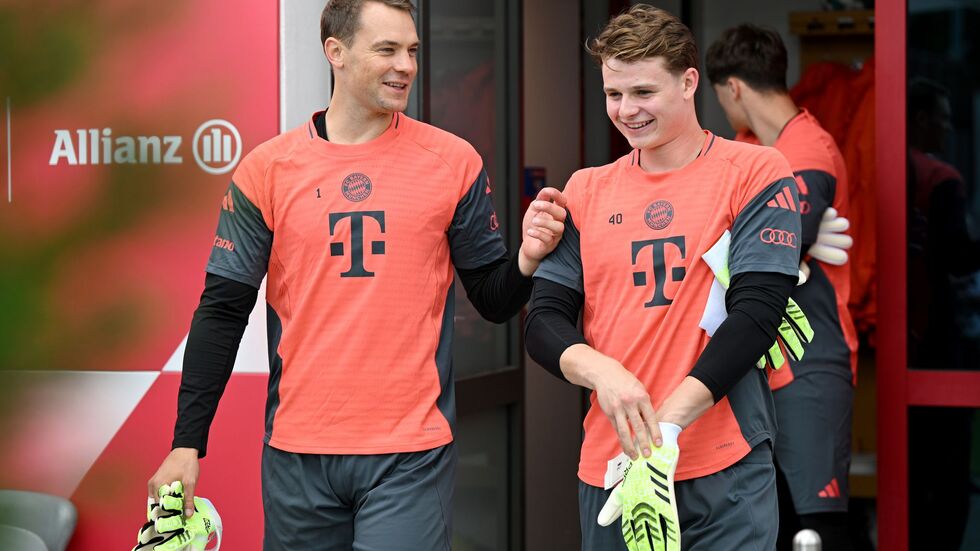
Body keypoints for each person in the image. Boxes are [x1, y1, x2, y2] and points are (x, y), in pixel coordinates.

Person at [145, 1, 568, 549]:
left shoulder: (452, 162)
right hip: (298, 452)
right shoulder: (266, 171)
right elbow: (223, 310)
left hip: (410, 453)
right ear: (336, 53)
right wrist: (187, 443)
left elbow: (491, 298)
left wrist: (527, 260)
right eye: (387, 49)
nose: (407, 66)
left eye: (412, 51)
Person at [525, 5, 803, 550]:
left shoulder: (754, 172)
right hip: (614, 467)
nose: (626, 111)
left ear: (689, 82)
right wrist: (603, 373)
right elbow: (543, 320)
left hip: (725, 468)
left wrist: (668, 426)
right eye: (613, 94)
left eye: (643, 93)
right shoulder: (584, 189)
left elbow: (756, 316)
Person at [705, 24, 859, 550]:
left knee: (816, 529)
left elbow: (785, 240)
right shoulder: (743, 151)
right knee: (766, 523)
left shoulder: (809, 147)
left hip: (811, 355)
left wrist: (777, 240)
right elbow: (716, 239)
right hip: (754, 359)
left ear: (734, 89)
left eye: (720, 98)